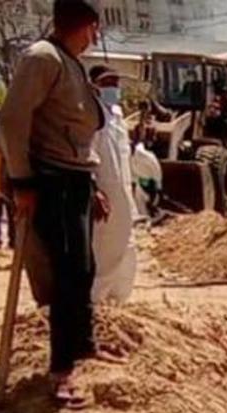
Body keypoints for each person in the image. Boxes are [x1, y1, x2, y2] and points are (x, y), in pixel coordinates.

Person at [0, 0, 109, 409]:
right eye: (95, 29)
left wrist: (91, 185)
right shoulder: (43, 58)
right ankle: (61, 371)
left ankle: (83, 346)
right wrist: (22, 179)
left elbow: (78, 134)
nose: (96, 37)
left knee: (83, 269)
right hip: (51, 181)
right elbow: (11, 121)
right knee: (65, 275)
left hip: (75, 179)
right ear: (87, 26)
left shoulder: (70, 61)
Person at [88, 65, 137, 304]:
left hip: (124, 193)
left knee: (127, 249)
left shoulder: (117, 116)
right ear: (95, 85)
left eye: (116, 83)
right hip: (105, 193)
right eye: (108, 82)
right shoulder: (91, 114)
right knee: (105, 250)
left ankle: (118, 302)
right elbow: (87, 155)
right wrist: (94, 190)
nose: (113, 88)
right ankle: (95, 304)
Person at [131, 141, 162, 220]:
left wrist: (158, 186)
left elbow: (156, 170)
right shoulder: (129, 157)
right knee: (140, 207)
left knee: (152, 202)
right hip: (140, 184)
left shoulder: (147, 156)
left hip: (151, 184)